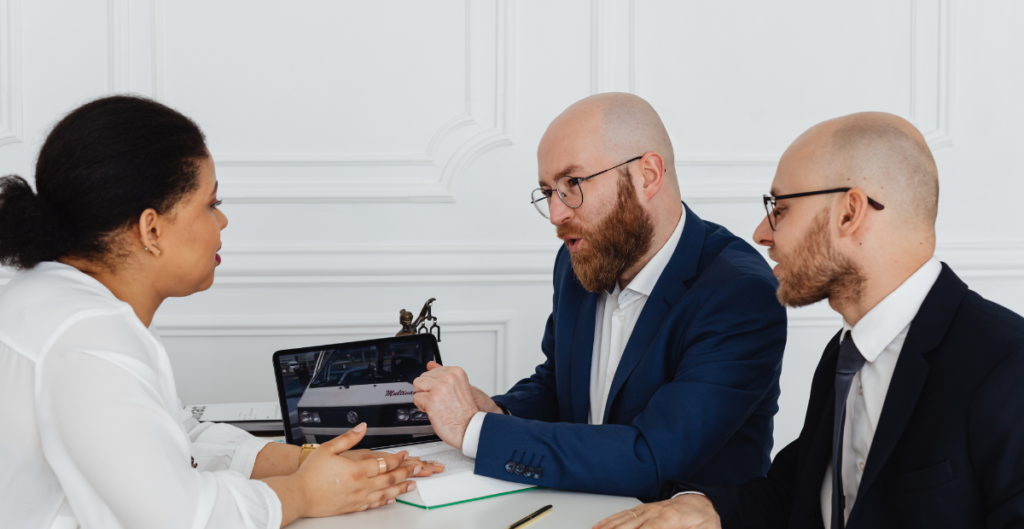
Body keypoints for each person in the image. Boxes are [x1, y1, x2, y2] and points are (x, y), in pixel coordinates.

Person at [0, 95, 442, 529]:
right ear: (151, 229)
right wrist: (305, 492)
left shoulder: (48, 297)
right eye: (211, 204)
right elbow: (182, 519)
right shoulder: (89, 338)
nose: (223, 222)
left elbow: (171, 436)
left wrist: (311, 462)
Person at [596, 112, 1024, 529]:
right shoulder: (844, 355)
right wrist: (708, 509)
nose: (761, 233)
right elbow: (799, 493)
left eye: (780, 208)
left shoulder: (1006, 369)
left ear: (849, 213)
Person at [411, 93, 788, 500]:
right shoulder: (579, 258)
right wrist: (498, 412)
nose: (556, 214)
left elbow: (653, 458)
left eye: (572, 184)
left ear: (647, 175)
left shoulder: (740, 294)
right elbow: (558, 384)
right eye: (548, 191)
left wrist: (475, 430)